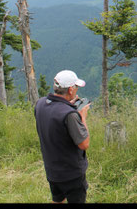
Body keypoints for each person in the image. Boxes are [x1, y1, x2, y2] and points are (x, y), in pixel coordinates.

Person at [34, 70, 90, 203]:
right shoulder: (70, 115)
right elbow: (84, 144)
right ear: (71, 90)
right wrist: (82, 118)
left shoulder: (40, 104)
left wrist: (69, 104)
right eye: (75, 87)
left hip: (52, 170)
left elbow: (54, 119)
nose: (76, 90)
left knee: (58, 200)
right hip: (71, 173)